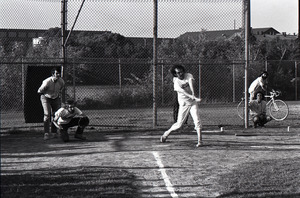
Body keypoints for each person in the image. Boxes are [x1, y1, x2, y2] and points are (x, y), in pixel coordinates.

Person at [160, 64, 202, 147]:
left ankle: (200, 141)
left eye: (182, 71)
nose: (181, 74)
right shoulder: (176, 82)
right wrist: (192, 96)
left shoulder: (188, 75)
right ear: (175, 74)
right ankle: (166, 134)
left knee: (197, 120)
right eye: (178, 73)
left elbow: (190, 82)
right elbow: (184, 92)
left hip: (193, 103)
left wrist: (193, 93)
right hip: (184, 104)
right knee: (179, 125)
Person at [38, 67, 65, 140]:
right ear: (53, 74)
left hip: (55, 98)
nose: (58, 75)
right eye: (56, 73)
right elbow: (39, 91)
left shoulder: (61, 81)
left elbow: (61, 89)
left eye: (59, 73)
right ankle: (46, 133)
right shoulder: (47, 81)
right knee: (47, 115)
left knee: (55, 115)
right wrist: (46, 92)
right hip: (46, 97)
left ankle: (54, 132)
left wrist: (57, 96)